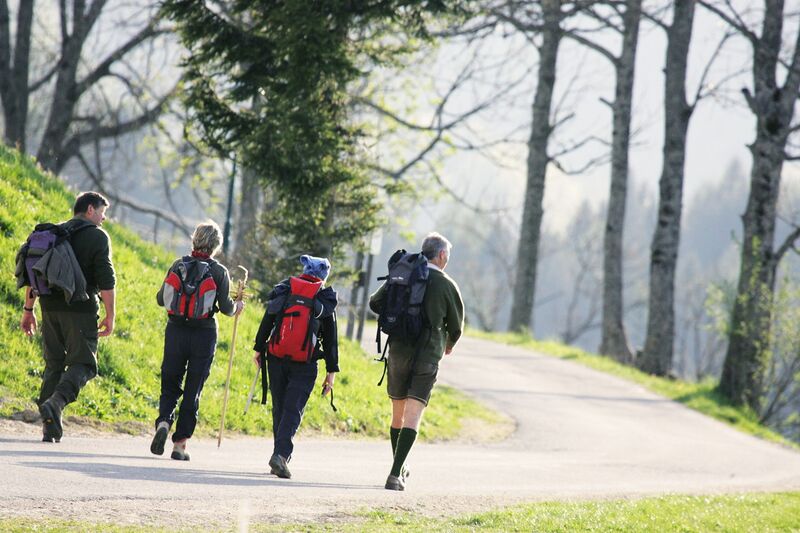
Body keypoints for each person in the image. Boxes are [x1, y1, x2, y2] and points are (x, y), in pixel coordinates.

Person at [369, 232, 464, 491]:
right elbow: (456, 327)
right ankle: (395, 473)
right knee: (413, 415)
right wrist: (448, 343)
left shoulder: (404, 273)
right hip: (428, 356)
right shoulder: (447, 285)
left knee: (397, 415)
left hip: (399, 350)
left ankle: (398, 467)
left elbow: (375, 302)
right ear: (442, 255)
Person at [19, 192, 116, 443]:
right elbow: (106, 280)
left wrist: (28, 311)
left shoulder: (53, 233)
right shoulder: (97, 236)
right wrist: (110, 315)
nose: (104, 218)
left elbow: (34, 275)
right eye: (103, 212)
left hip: (49, 307)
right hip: (80, 308)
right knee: (84, 364)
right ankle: (56, 403)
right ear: (90, 209)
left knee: (54, 363)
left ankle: (49, 428)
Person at [150, 221, 244, 461]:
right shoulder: (219, 271)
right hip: (204, 334)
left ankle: (163, 422)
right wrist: (237, 307)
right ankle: (180, 445)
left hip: (176, 331)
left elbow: (162, 300)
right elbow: (226, 308)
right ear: (216, 246)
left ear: (194, 240)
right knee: (193, 389)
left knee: (170, 382)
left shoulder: (177, 264)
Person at [252, 255, 339, 479]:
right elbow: (330, 339)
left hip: (276, 358)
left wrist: (258, 348)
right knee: (293, 409)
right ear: (324, 275)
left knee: (280, 407)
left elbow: (268, 318)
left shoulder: (285, 289)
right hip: (306, 363)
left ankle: (277, 454)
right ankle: (280, 455)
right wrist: (331, 371)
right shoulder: (323, 298)